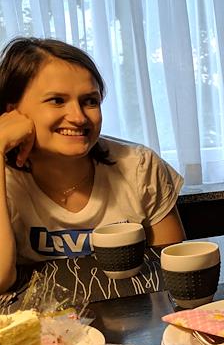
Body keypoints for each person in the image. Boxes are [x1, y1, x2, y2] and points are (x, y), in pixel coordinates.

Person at [0, 37, 185, 293]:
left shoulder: (139, 166)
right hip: (35, 317)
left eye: (90, 101)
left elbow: (170, 272)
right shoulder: (6, 178)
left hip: (132, 312)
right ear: (12, 111)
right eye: (57, 100)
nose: (78, 117)